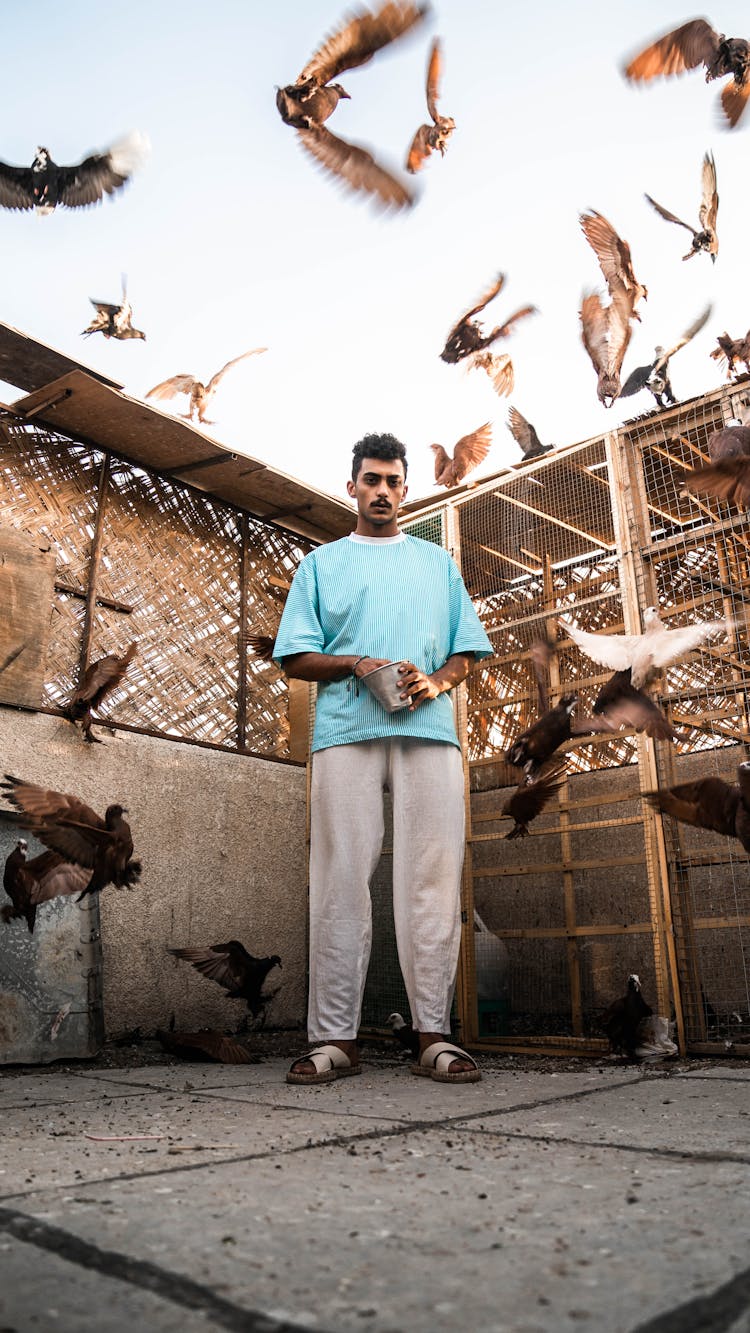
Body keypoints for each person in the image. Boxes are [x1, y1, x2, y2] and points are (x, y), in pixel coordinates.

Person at [273, 432, 493, 1084]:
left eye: (393, 481)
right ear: (352, 486)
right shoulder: (321, 563)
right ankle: (335, 1039)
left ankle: (433, 1034)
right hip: (345, 729)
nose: (381, 491)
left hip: (429, 731)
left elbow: (466, 650)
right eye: (370, 479)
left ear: (405, 488)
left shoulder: (436, 563)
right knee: (341, 875)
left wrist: (438, 682)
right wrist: (357, 664)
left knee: (431, 875)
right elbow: (294, 655)